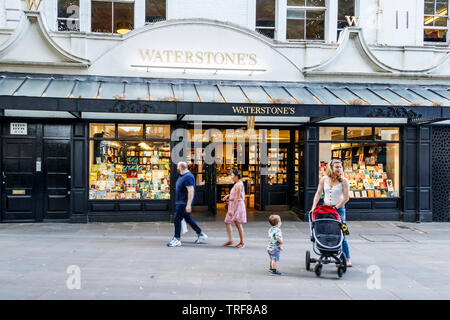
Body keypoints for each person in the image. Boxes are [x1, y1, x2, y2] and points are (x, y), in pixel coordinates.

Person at [311, 159, 352, 267]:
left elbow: (346, 198)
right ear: (331, 168)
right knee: (326, 231)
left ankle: (347, 258)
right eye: (337, 167)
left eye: (340, 167)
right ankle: (327, 255)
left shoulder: (344, 181)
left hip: (339, 209)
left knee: (341, 233)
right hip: (325, 208)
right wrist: (313, 207)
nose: (339, 169)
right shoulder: (324, 179)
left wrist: (336, 207)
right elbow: (318, 193)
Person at [167, 161, 208, 247]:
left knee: (177, 219)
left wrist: (188, 204)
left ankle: (177, 239)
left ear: (181, 168)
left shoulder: (188, 177)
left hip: (183, 202)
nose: (177, 168)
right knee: (188, 219)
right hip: (181, 202)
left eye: (178, 167)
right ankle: (201, 234)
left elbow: (191, 190)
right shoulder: (183, 176)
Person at [221, 170, 247, 248]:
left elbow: (237, 197)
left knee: (238, 223)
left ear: (236, 176)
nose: (231, 177)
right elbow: (235, 194)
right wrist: (228, 195)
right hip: (234, 204)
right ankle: (230, 240)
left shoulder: (238, 185)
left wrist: (232, 209)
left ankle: (242, 242)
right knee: (227, 221)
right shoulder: (237, 184)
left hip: (237, 205)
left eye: (232, 175)